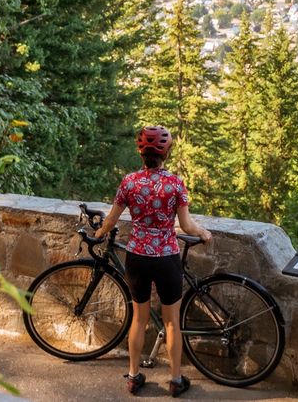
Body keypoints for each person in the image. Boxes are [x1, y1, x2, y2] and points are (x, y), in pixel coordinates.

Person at [94, 125, 212, 397]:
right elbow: (186, 225)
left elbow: (111, 220)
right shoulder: (175, 183)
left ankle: (133, 376)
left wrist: (99, 234)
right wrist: (203, 233)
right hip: (166, 258)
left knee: (139, 319)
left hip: (137, 257)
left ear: (141, 153)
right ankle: (175, 380)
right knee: (172, 323)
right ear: (166, 154)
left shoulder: (129, 182)